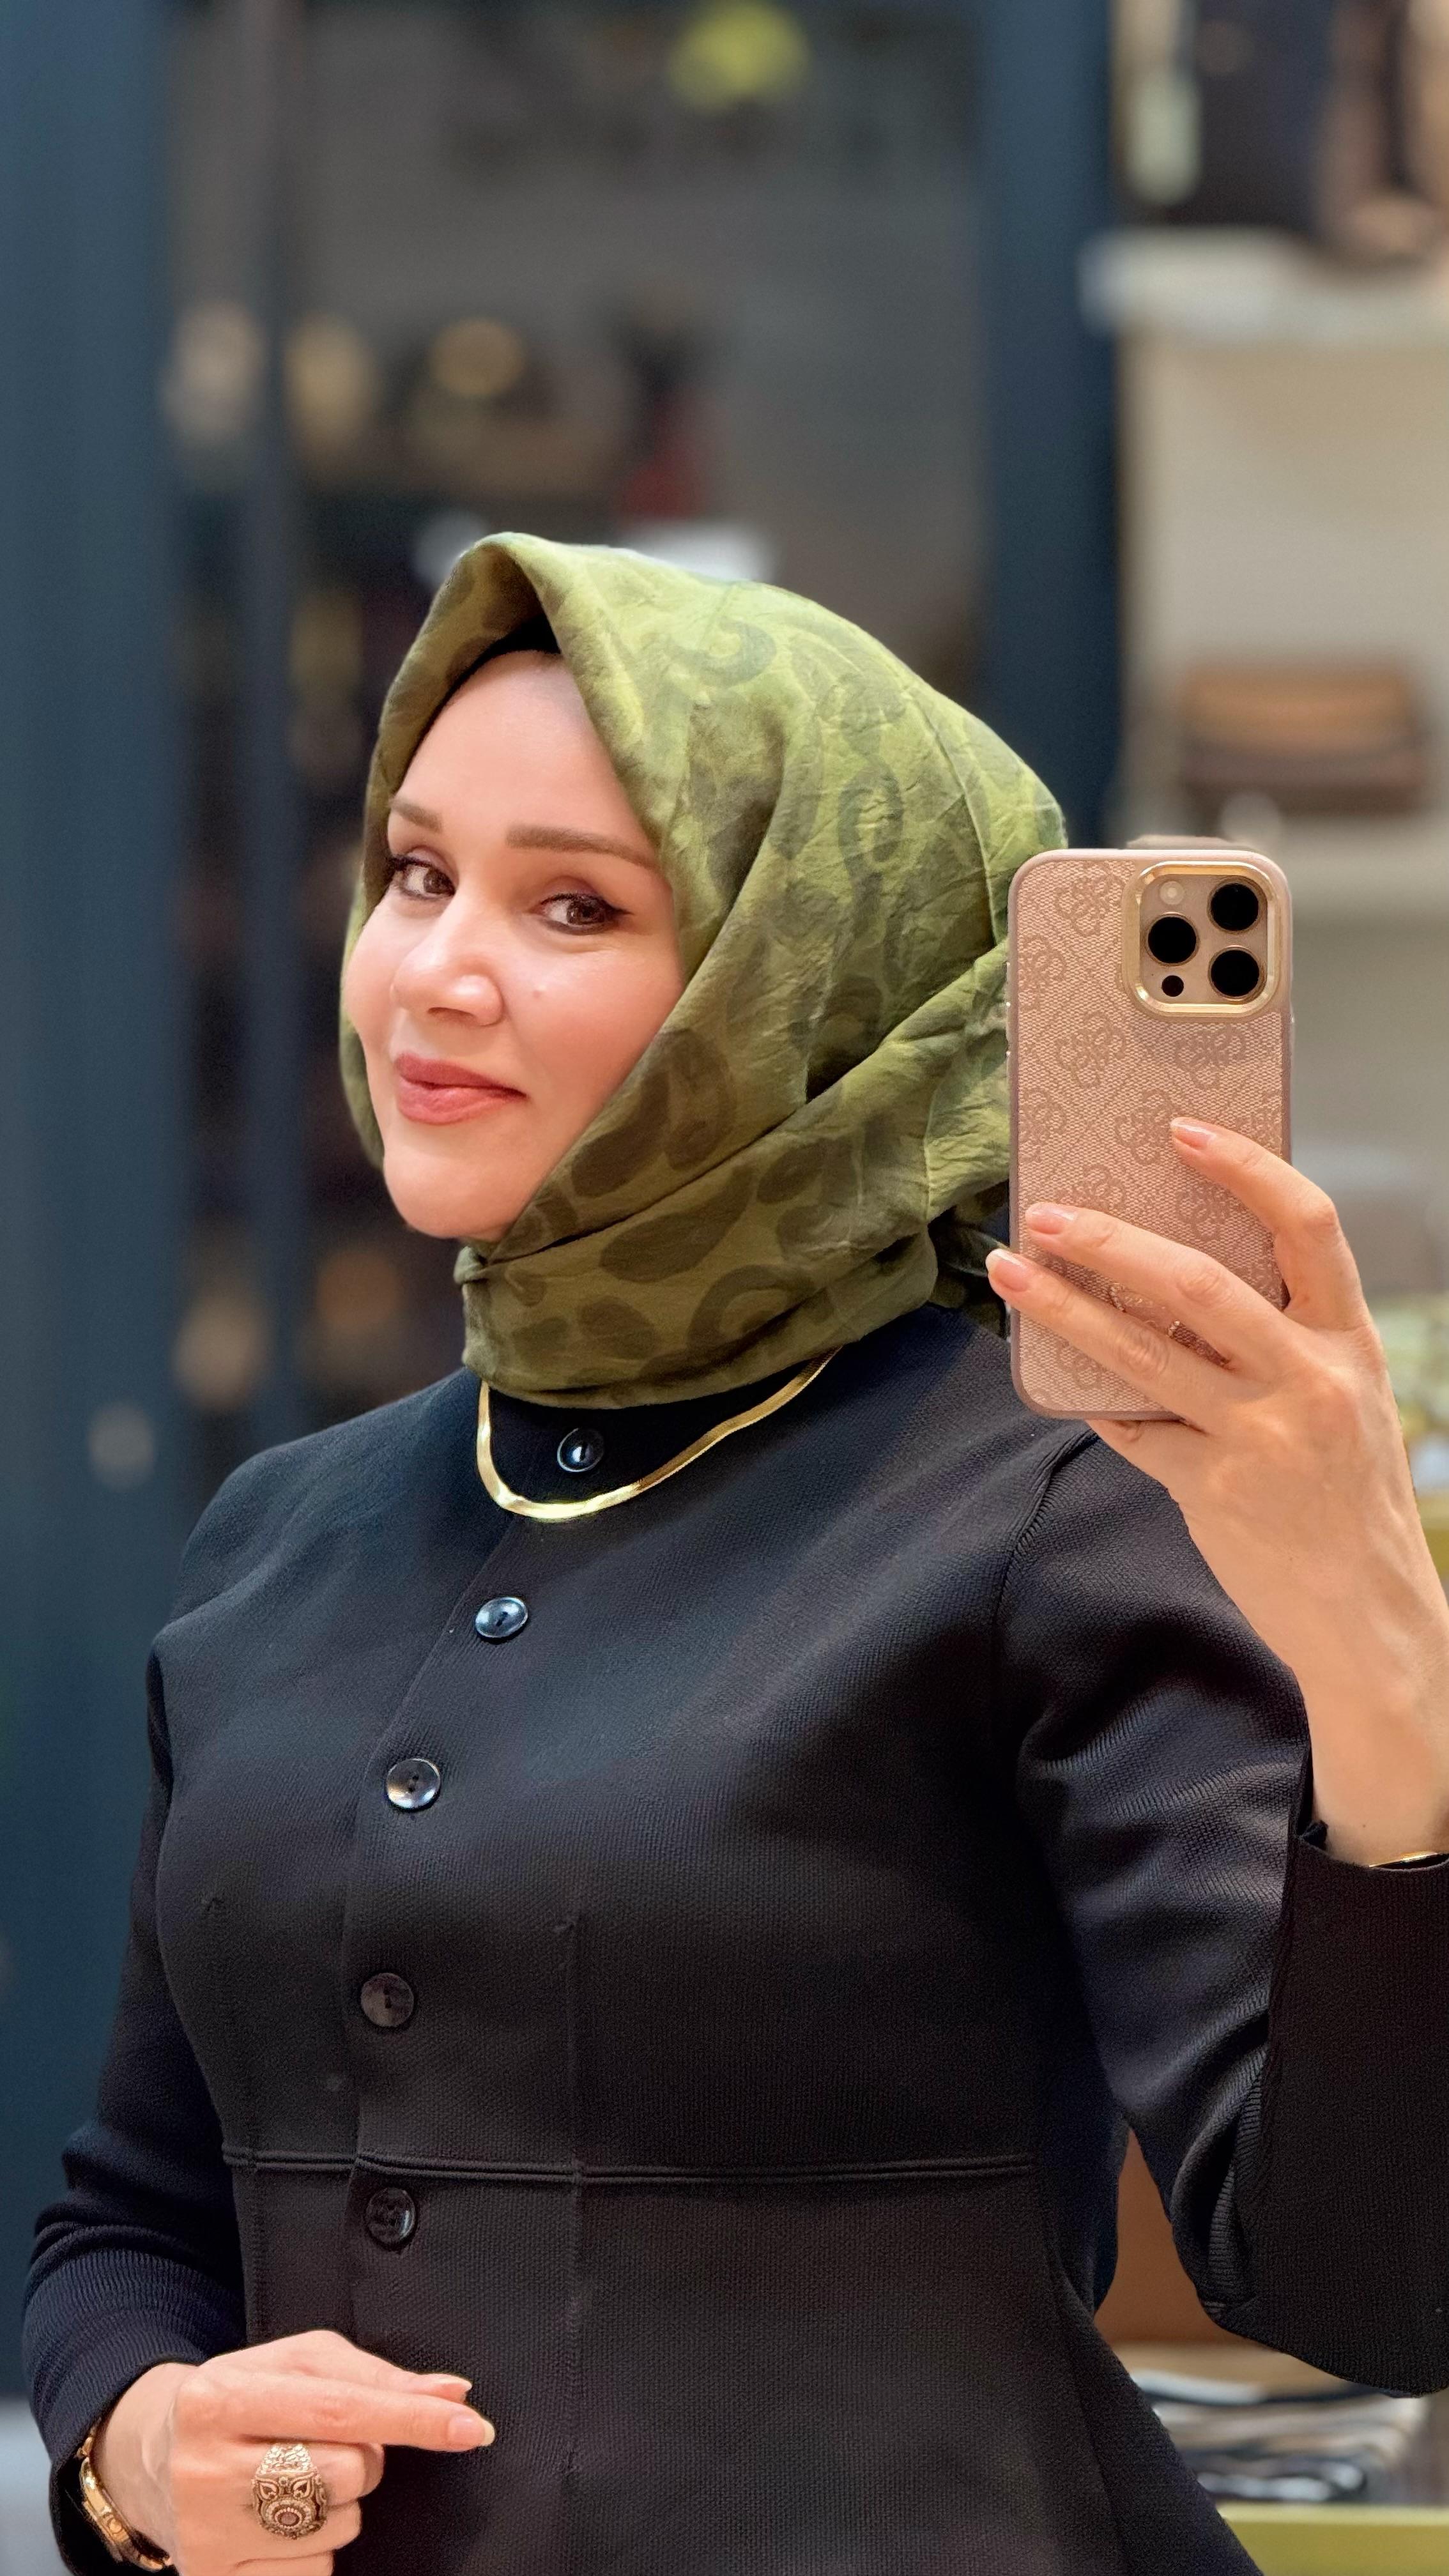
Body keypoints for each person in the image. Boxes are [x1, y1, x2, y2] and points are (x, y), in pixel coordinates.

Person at [23, 533, 1449, 2576]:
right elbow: (132, 2219)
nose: (434, 970)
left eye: (576, 905)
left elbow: (1371, 2285)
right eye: (414, 873)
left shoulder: (1047, 1498)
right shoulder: (280, 1537)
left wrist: (1375, 1643)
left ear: (807, 983)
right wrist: (135, 2446)